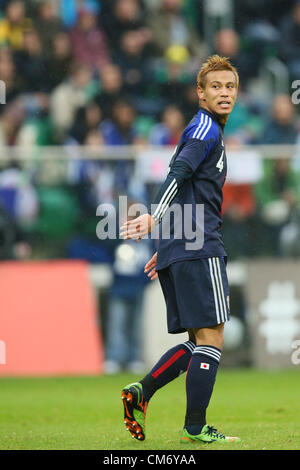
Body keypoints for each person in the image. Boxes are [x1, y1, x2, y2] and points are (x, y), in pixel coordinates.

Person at [120, 55, 241, 444]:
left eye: (230, 86)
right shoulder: (205, 128)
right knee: (213, 338)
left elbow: (188, 191)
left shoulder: (202, 129)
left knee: (197, 340)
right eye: (216, 87)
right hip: (200, 244)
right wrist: (156, 218)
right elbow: (179, 175)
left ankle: (142, 391)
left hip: (183, 242)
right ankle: (195, 427)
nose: (224, 93)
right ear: (200, 93)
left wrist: (170, 242)